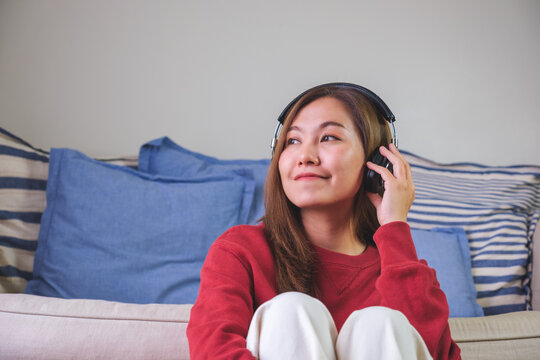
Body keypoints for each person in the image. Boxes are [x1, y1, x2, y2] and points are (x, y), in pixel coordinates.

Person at [187, 83, 461, 359]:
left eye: (329, 137)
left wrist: (394, 227)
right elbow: (213, 351)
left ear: (378, 161)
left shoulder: (400, 268)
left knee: (381, 323)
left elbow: (433, 352)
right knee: (290, 310)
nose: (305, 156)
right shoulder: (239, 251)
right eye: (293, 141)